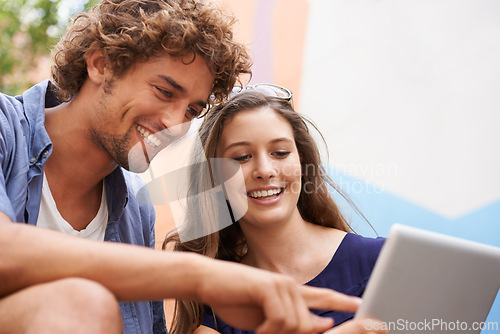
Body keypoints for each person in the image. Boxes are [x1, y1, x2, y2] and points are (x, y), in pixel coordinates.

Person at [0, 1, 371, 333]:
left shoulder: (134, 211)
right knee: (82, 305)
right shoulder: (5, 129)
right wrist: (199, 277)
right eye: (164, 91)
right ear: (100, 64)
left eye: (192, 110)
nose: (174, 123)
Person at [164, 87, 387, 334]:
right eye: (241, 157)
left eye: (280, 153)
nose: (265, 170)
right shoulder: (216, 320)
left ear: (302, 161)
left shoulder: (387, 263)